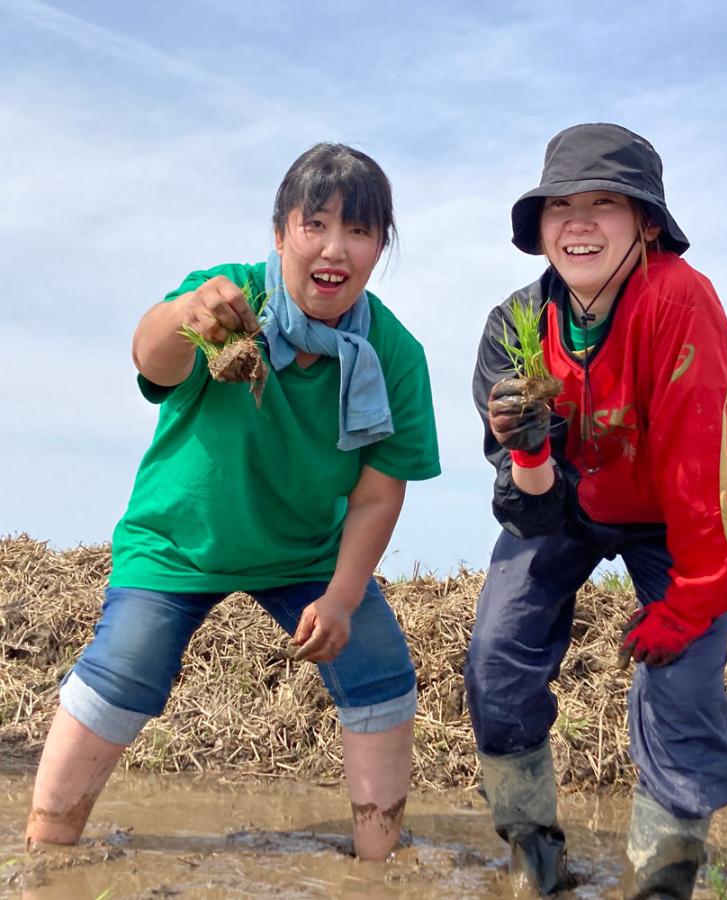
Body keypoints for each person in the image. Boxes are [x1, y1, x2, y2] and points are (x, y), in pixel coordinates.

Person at [25, 143, 441, 860]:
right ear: (279, 234)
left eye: (359, 231)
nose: (334, 249)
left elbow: (377, 494)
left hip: (307, 552)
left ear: (381, 247)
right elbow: (150, 360)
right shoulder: (227, 299)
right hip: (178, 542)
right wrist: (186, 315)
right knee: (124, 667)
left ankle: (378, 865)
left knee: (380, 672)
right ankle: (45, 850)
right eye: (315, 225)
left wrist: (343, 597)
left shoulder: (394, 354)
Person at [465, 123, 727, 898]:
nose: (579, 223)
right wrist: (529, 453)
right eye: (561, 206)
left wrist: (690, 600)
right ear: (540, 228)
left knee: (682, 678)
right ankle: (532, 847)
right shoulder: (514, 328)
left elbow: (701, 467)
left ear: (647, 224)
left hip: (671, 506)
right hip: (565, 503)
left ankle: (665, 869)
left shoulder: (679, 300)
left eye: (605, 204)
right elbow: (529, 512)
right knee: (497, 654)